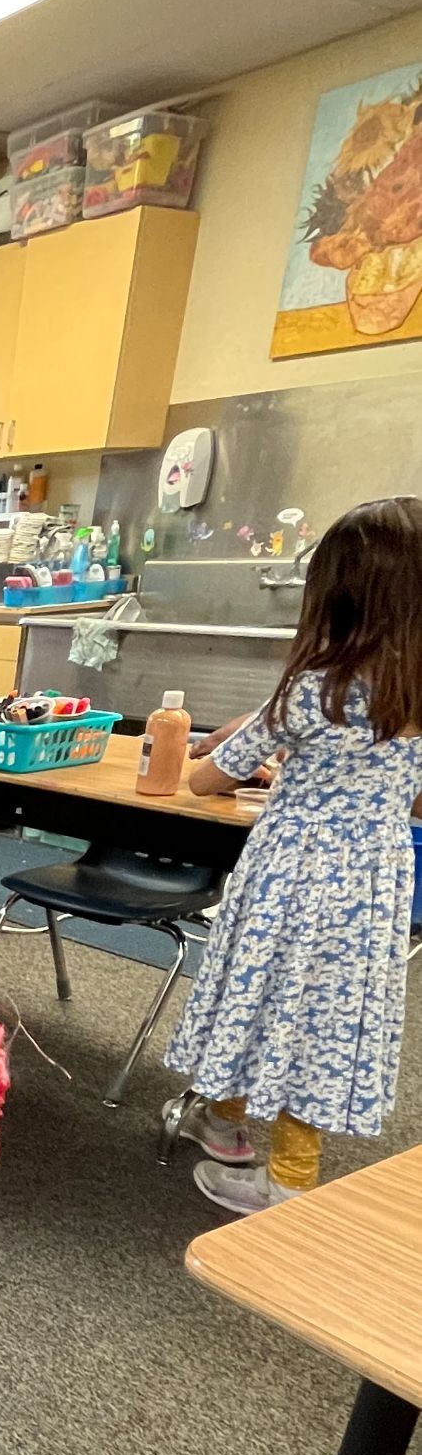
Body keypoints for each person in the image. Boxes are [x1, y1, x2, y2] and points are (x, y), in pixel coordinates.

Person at [165, 497, 422, 1214]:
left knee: (261, 993)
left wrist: (262, 754)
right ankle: (247, 1138)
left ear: (335, 596)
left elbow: (207, 778)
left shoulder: (314, 690)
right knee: (325, 1022)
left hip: (293, 874)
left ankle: (271, 1171)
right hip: (374, 884)